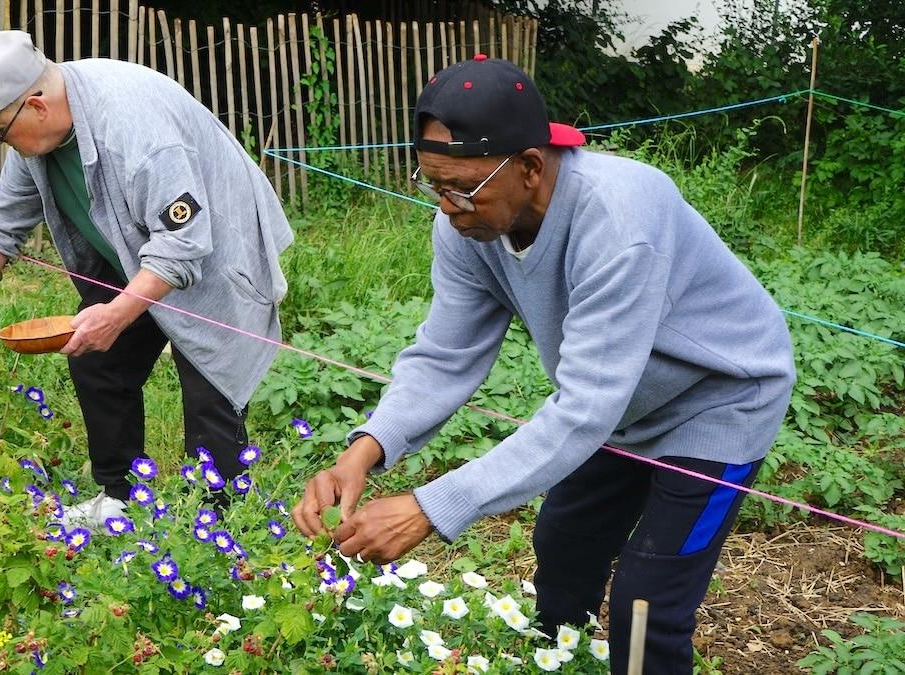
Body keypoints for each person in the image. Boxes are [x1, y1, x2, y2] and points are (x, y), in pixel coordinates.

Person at [291, 55, 795, 673]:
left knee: (646, 602)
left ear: (530, 166)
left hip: (718, 402)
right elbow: (445, 355)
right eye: (434, 186)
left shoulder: (619, 220)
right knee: (564, 548)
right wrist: (364, 449)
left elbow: (584, 408)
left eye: (463, 189)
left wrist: (431, 506)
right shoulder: (466, 227)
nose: (448, 208)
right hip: (622, 406)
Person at [0, 30, 293, 527]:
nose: (1, 143)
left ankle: (219, 528)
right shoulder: (39, 139)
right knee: (95, 354)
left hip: (210, 252)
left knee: (210, 382)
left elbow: (183, 245)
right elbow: (2, 215)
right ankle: (118, 496)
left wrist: (119, 312)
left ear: (35, 106)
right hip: (131, 253)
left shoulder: (135, 130)